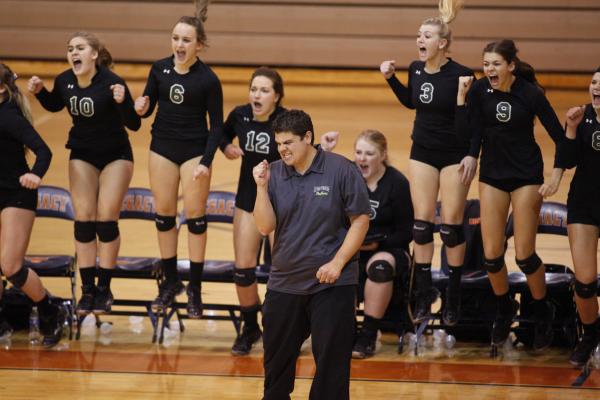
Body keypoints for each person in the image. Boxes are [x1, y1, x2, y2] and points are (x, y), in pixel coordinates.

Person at [456, 39, 567, 350]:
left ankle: (543, 309)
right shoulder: (479, 90)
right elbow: (474, 129)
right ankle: (505, 307)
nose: (490, 69)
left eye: (496, 63)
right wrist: (471, 154)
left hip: (526, 177)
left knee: (524, 255)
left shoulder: (531, 94)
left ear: (510, 66)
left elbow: (560, 138)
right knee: (491, 256)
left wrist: (555, 176)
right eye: (486, 63)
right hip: (492, 175)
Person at [221, 66, 339, 356]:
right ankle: (250, 327)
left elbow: (304, 152)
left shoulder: (285, 122)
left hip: (283, 202)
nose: (256, 95)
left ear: (276, 96)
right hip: (249, 198)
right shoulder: (239, 115)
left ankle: (289, 330)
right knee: (242, 270)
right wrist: (226, 147)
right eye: (253, 89)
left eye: (264, 90)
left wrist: (322, 145)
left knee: (285, 270)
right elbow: (220, 133)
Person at [253, 109, 370, 400]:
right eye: (278, 143)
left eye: (289, 142)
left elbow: (360, 220)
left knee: (331, 367)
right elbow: (265, 225)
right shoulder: (275, 173)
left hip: (331, 284)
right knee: (276, 368)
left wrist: (338, 263)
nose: (282, 149)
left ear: (308, 138)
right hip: (284, 282)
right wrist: (261, 187)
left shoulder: (341, 169)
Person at [28, 33, 140, 316]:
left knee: (105, 219)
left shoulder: (113, 82)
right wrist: (41, 91)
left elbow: (135, 124)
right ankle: (88, 290)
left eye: (80, 48)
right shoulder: (65, 79)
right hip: (82, 153)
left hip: (116, 154)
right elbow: (55, 103)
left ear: (94, 55)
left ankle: (104, 287)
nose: (73, 53)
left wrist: (124, 101)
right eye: (70, 49)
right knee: (84, 219)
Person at [379, 0, 477, 325]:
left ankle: (453, 294)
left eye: (427, 36)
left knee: (450, 227)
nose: (420, 41)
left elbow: (475, 123)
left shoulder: (463, 75)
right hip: (422, 151)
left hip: (454, 155)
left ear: (442, 43)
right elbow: (412, 101)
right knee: (421, 226)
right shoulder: (416, 68)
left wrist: (471, 154)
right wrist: (392, 79)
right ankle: (422, 295)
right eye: (418, 35)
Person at [134, 0, 223, 317]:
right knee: (164, 216)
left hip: (194, 152)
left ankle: (195, 288)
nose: (179, 45)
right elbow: (145, 108)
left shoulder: (208, 80)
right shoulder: (159, 69)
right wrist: (140, 108)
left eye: (186, 40)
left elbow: (217, 127)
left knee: (196, 218)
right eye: (175, 38)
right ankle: (170, 284)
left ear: (199, 45)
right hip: (162, 148)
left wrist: (206, 161)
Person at [0, 62, 66, 347]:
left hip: (16, 194)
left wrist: (35, 175)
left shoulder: (9, 116)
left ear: (1, 89)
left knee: (11, 267)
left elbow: (44, 151)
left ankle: (52, 310)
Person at [350, 129, 413, 359]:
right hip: (353, 249)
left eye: (369, 153)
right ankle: (345, 332)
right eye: (358, 152)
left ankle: (368, 335)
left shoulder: (397, 183)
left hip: (390, 248)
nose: (362, 159)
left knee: (379, 267)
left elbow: (406, 232)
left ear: (383, 155)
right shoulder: (348, 178)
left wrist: (377, 243)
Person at [563, 67, 600, 367]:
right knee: (585, 283)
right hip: (583, 206)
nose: (596, 88)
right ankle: (590, 335)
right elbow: (568, 160)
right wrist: (571, 129)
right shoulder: (582, 116)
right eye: (594, 82)